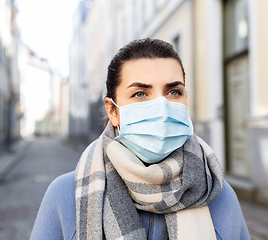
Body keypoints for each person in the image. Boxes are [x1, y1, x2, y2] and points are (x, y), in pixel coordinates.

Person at [30, 38, 250, 240]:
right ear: (112, 111)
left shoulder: (218, 195)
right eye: (140, 94)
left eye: (173, 91)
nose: (162, 108)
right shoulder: (65, 196)